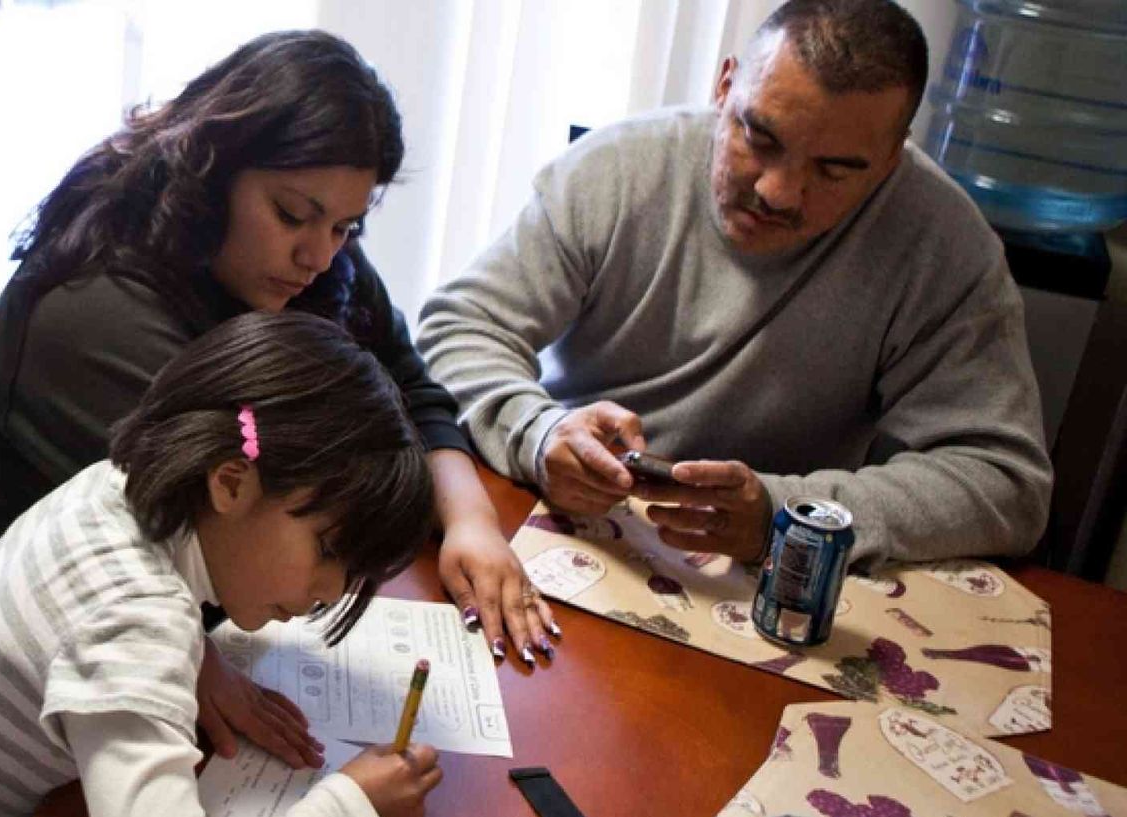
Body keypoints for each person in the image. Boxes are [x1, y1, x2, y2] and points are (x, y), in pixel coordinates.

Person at [0, 30, 560, 770]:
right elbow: (226, 533)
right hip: (21, 693)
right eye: (292, 215)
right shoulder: (93, 315)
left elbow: (407, 382)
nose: (318, 254)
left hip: (193, 621)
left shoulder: (306, 260)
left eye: (346, 226)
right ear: (211, 168)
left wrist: (471, 520)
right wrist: (202, 664)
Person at [416, 0, 1051, 572]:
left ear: (891, 158)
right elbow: (461, 323)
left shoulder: (944, 244)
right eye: (760, 136)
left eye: (833, 169)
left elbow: (1005, 484)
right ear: (724, 88)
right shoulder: (619, 168)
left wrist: (786, 514)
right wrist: (539, 433)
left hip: (767, 571)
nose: (777, 192)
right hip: (552, 517)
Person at [0, 312, 443, 817]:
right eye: (327, 550)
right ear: (230, 483)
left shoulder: (121, 483)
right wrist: (354, 811)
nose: (330, 592)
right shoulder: (136, 616)